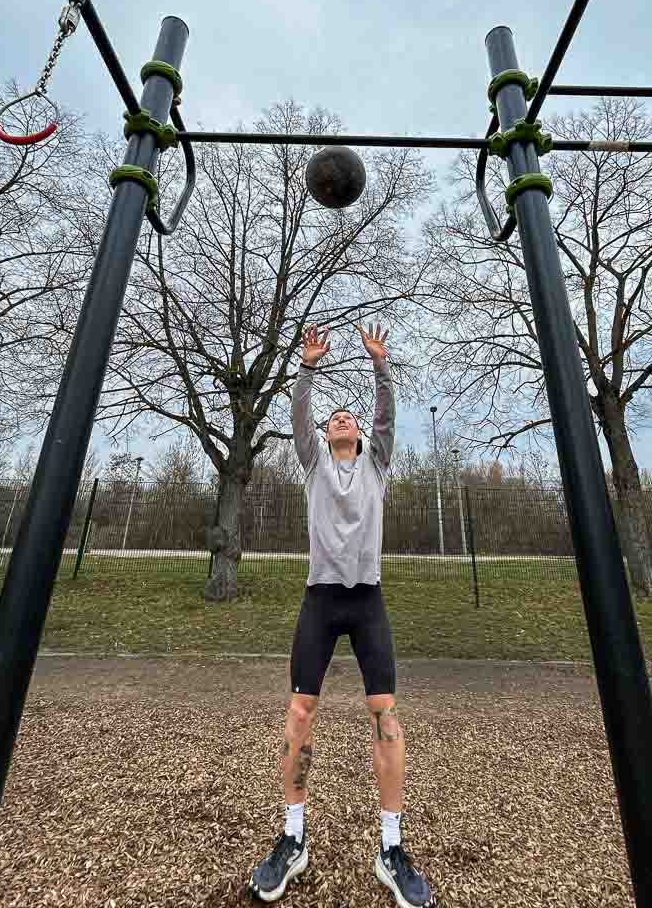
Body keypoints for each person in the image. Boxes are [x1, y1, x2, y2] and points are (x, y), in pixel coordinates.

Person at [250, 323, 434, 907]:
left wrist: (380, 365)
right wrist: (305, 368)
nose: (341, 420)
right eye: (335, 419)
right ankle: (293, 838)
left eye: (347, 417)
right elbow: (300, 418)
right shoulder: (313, 465)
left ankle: (390, 847)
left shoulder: (378, 465)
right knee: (300, 711)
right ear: (325, 436)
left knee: (385, 715)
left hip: (367, 600)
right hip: (321, 600)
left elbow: (386, 419)